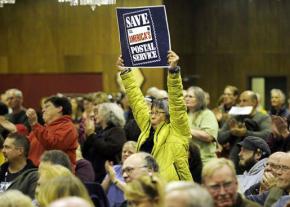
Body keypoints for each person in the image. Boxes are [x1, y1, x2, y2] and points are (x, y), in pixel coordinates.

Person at [117, 50, 192, 181]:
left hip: (173, 187)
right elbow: (136, 101)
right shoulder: (147, 127)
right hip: (148, 184)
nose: (152, 115)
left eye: (157, 112)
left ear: (168, 115)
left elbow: (177, 103)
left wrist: (173, 72)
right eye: (151, 111)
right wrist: (125, 72)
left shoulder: (177, 130)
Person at [218, 90, 272, 172]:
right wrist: (232, 132)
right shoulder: (234, 118)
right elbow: (220, 137)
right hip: (234, 161)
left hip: (254, 163)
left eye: (244, 101)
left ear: (255, 103)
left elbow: (267, 135)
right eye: (240, 101)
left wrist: (245, 133)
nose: (241, 104)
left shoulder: (263, 118)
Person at [26, 96, 78, 168]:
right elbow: (25, 147)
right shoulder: (40, 129)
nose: (43, 110)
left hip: (55, 174)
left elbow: (54, 146)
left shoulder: (68, 127)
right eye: (43, 107)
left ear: (59, 108)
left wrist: (35, 124)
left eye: (47, 106)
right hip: (34, 171)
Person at [82, 102, 127, 182]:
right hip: (95, 173)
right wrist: (88, 135)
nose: (95, 116)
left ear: (107, 114)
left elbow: (108, 149)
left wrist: (92, 135)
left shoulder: (117, 131)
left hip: (107, 176)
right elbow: (85, 152)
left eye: (98, 113)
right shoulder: (99, 131)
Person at [185, 86, 219, 164]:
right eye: (186, 96)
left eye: (190, 96)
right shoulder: (186, 115)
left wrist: (186, 130)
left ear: (199, 99)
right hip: (188, 160)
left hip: (204, 160)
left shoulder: (207, 114)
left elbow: (209, 136)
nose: (187, 99)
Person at [101, 141, 137, 207]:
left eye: (130, 152)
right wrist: (109, 175)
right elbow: (101, 192)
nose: (126, 154)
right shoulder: (115, 168)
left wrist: (114, 179)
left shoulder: (138, 172)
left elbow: (133, 192)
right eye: (124, 151)